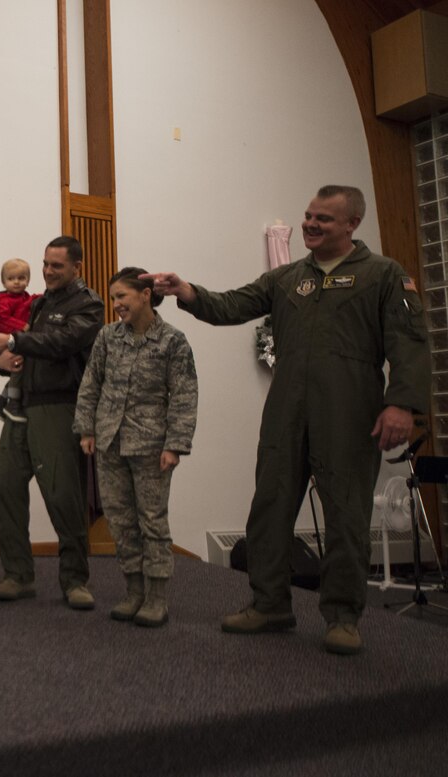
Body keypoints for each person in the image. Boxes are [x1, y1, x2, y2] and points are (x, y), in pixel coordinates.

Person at [145, 185, 431, 654]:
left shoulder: (383, 275)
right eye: (308, 216)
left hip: (349, 410)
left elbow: (410, 344)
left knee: (346, 516)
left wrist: (401, 404)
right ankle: (269, 605)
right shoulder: (285, 278)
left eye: (324, 219)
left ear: (351, 224)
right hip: (285, 412)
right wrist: (187, 291)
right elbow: (232, 305)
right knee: (270, 509)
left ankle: (341, 617)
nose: (311, 225)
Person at [0, 236, 104, 608]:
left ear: (76, 267)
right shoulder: (39, 303)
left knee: (64, 496)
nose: (47, 271)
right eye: (45, 264)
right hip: (22, 406)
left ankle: (75, 581)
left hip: (59, 408)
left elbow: (59, 343)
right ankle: (18, 575)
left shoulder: (88, 304)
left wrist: (14, 342)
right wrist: (1, 362)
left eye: (56, 266)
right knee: (5, 486)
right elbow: (20, 351)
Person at [73, 268, 198, 627]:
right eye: (113, 299)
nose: (116, 306)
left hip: (151, 446)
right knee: (120, 521)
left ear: (145, 294)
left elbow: (184, 397)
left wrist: (175, 445)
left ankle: (157, 597)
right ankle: (133, 591)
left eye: (121, 297)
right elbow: (90, 384)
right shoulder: (108, 337)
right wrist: (86, 429)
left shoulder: (172, 341)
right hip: (110, 442)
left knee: (152, 522)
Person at [0, 258, 41, 423]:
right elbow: (1, 320)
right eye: (11, 278)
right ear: (3, 281)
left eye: (21, 278)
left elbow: (33, 302)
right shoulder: (2, 302)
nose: (16, 282)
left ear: (28, 280)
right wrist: (24, 327)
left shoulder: (25, 299)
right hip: (9, 341)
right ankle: (12, 403)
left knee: (24, 368)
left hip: (19, 340)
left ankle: (2, 399)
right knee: (18, 368)